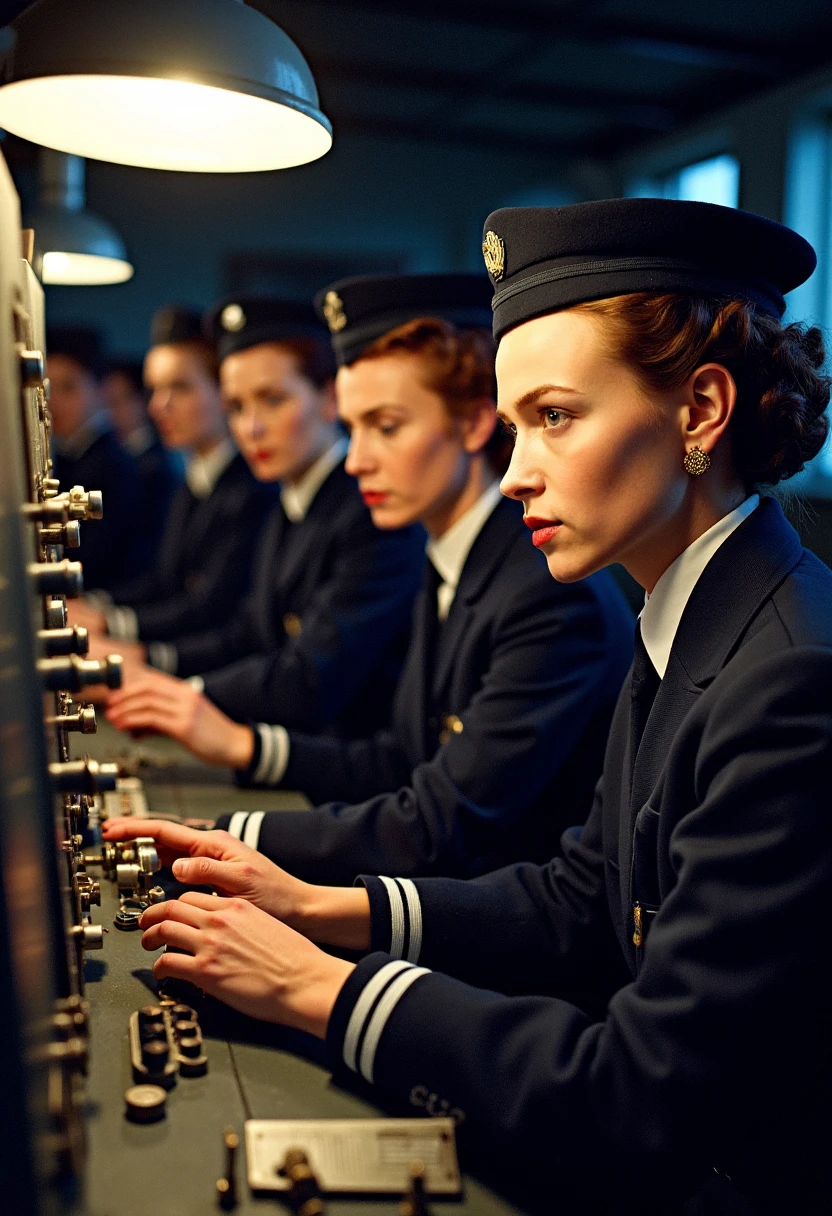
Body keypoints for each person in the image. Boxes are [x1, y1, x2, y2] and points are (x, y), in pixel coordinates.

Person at [104, 200, 832, 1214]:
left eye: (555, 416)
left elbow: (643, 1095)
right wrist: (321, 909)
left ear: (700, 411)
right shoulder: (697, 604)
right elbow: (584, 893)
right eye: (517, 419)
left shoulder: (786, 675)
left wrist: (316, 987)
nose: (515, 471)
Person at [116, 273, 632, 882]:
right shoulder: (449, 553)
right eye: (355, 428)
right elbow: (400, 757)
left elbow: (440, 823)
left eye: (386, 427)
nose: (356, 459)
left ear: (471, 425)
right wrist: (242, 757)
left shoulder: (546, 592)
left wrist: (232, 832)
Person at [105, 297, 425, 737]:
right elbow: (250, 633)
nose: (251, 428)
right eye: (236, 407)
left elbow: (312, 679)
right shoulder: (289, 496)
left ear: (330, 398)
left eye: (272, 400)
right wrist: (153, 667)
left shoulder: (369, 512)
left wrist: (179, 693)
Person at [70, 307, 277, 658]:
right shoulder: (193, 479)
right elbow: (164, 582)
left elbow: (211, 607)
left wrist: (113, 624)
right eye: (154, 390)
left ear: (225, 394)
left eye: (180, 388)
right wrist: (97, 606)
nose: (158, 406)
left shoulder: (254, 488)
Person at [47, 325, 146, 592]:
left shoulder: (113, 465)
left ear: (101, 390)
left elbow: (97, 559)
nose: (54, 401)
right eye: (48, 388)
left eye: (68, 387)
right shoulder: (69, 455)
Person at [102, 356, 181, 569]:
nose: (109, 412)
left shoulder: (156, 466)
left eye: (116, 402)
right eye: (105, 403)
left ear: (140, 401)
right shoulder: (116, 457)